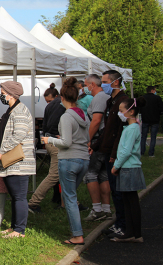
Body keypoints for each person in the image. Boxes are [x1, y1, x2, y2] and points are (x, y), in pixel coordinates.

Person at [44, 77, 90, 246]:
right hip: (83, 158)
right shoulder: (82, 114)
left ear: (62, 98)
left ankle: (77, 235)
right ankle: (77, 232)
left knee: (69, 198)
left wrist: (49, 140)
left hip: (69, 159)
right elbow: (84, 137)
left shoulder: (66, 116)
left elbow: (66, 143)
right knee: (72, 196)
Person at [0, 81, 35, 238]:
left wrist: (2, 151)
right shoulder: (12, 110)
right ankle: (14, 227)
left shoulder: (19, 111)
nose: (1, 95)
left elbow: (18, 135)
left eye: (2, 92)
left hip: (19, 162)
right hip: (12, 161)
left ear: (10, 94)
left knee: (19, 196)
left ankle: (19, 230)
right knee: (15, 196)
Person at [91, 70, 128, 238]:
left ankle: (123, 225)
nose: (102, 85)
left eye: (105, 82)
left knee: (118, 191)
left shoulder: (123, 101)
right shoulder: (111, 101)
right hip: (106, 150)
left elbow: (120, 131)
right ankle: (119, 222)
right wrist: (96, 145)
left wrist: (114, 154)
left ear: (115, 82)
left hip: (115, 153)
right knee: (114, 189)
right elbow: (107, 129)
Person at [110, 97, 147, 243]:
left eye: (121, 111)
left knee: (130, 201)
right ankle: (133, 233)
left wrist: (116, 165)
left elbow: (126, 151)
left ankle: (134, 233)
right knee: (129, 201)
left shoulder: (132, 128)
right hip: (129, 167)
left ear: (131, 112)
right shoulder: (132, 127)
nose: (119, 114)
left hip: (128, 168)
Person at [28, 84, 64, 213]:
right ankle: (34, 202)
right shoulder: (61, 105)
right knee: (54, 175)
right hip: (56, 141)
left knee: (62, 174)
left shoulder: (50, 106)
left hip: (51, 141)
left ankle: (65, 200)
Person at [83, 74, 112, 223]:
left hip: (97, 141)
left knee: (90, 174)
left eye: (85, 84)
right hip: (103, 141)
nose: (84, 87)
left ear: (91, 85)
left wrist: (88, 140)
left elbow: (96, 120)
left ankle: (97, 209)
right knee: (103, 175)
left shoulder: (99, 98)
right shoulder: (105, 97)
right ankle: (106, 209)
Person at [139, 86, 163, 157]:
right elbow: (161, 109)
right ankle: (151, 153)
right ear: (153, 90)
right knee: (153, 137)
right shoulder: (157, 98)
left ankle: (142, 152)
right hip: (155, 120)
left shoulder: (143, 98)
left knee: (143, 137)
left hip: (145, 119)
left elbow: (140, 108)